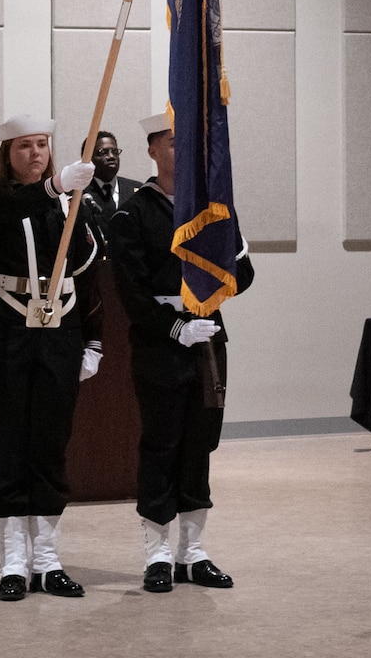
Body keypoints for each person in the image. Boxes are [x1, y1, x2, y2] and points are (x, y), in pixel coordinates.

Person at [107, 113, 254, 594]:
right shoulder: (133, 213)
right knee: (161, 443)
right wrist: (174, 327)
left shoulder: (210, 209)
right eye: (172, 143)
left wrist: (234, 244)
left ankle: (193, 552)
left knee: (200, 444)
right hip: (160, 343)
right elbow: (131, 293)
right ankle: (157, 554)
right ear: (151, 150)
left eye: (188, 143)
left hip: (209, 339)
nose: (182, 152)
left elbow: (243, 278)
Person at [0, 115, 102, 601]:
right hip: (7, 331)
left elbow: (87, 275)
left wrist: (95, 340)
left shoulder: (69, 203)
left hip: (60, 330)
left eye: (42, 145)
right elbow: (7, 213)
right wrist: (56, 187)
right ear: (8, 154)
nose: (36, 154)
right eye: (25, 146)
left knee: (49, 442)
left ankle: (46, 558)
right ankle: (13, 562)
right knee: (9, 444)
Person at [80, 130, 143, 235]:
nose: (111, 156)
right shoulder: (78, 194)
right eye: (103, 152)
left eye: (115, 151)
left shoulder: (138, 191)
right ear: (87, 158)